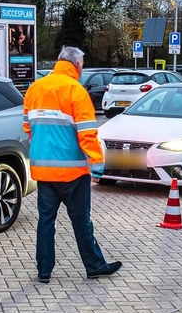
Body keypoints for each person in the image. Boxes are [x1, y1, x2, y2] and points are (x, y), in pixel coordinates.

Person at [23, 46, 122, 283]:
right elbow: (87, 134)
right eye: (83, 64)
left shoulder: (35, 88)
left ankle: (44, 271)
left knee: (46, 222)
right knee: (81, 222)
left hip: (43, 171)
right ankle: (95, 265)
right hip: (73, 173)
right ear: (77, 65)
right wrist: (97, 167)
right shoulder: (75, 91)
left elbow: (28, 127)